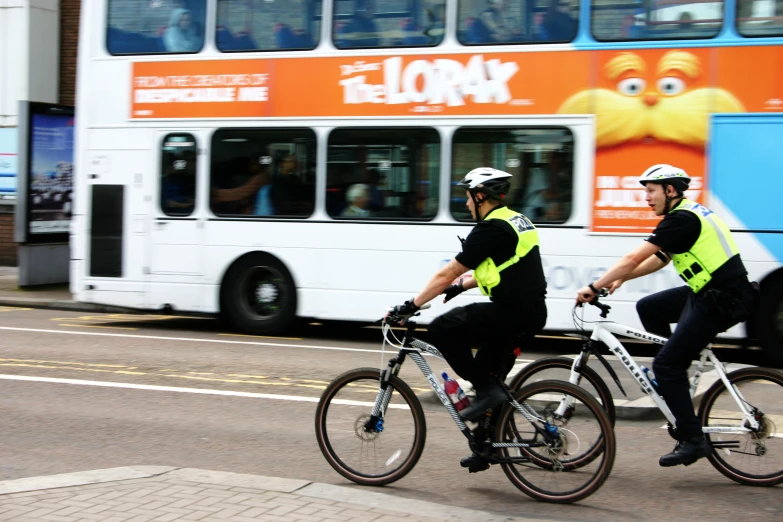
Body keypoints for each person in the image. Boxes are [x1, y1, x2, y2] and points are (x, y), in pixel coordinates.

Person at [575, 164, 758, 467]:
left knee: (666, 365)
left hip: (721, 300)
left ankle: (692, 439)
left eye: (651, 191)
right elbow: (661, 258)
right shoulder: (689, 213)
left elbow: (635, 256)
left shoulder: (680, 220)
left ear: (669, 191)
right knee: (650, 307)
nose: (646, 198)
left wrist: (595, 286)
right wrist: (623, 279)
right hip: (711, 292)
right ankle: (675, 374)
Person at [388, 167, 547, 472]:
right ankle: (486, 446)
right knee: (487, 372)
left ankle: (488, 392)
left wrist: (410, 305)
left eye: (467, 197)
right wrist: (461, 286)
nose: (465, 204)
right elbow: (508, 265)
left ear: (479, 196)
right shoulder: (515, 220)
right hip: (528, 311)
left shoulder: (490, 228)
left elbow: (448, 270)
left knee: (441, 328)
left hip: (511, 312)